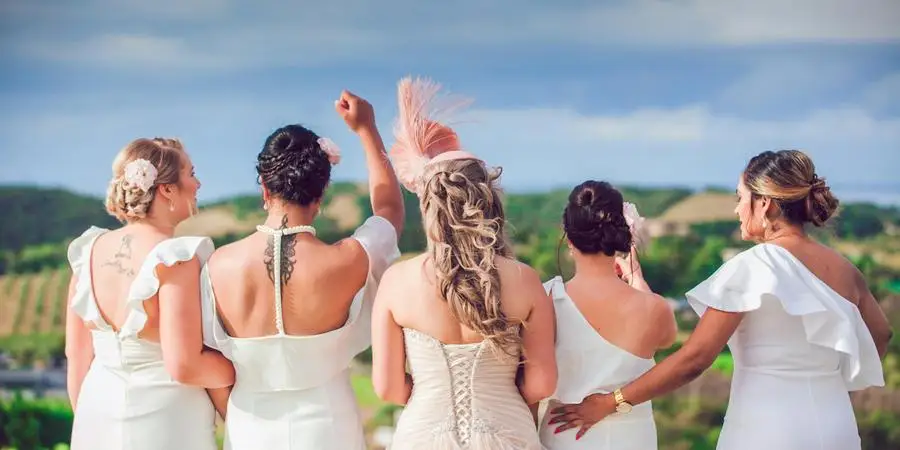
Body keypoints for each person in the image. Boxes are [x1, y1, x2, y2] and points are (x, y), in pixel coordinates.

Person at [549, 150, 892, 450]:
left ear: (765, 203)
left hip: (767, 426)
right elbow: (882, 333)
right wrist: (829, 380)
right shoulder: (846, 270)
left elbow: (694, 359)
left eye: (740, 197)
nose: (737, 209)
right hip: (836, 422)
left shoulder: (753, 267)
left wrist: (612, 402)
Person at [199, 90, 404, 449]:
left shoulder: (218, 265)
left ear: (264, 187)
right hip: (329, 426)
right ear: (322, 190)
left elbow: (207, 359)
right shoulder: (351, 259)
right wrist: (367, 129)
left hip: (249, 426)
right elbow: (388, 210)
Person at [371, 77, 557, 449]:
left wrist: (432, 399)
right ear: (488, 202)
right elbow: (542, 385)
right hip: (508, 434)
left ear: (428, 207)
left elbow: (389, 388)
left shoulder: (397, 282)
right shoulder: (524, 280)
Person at [66, 138, 234, 450]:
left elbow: (76, 356)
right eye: (191, 173)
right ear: (167, 189)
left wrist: (88, 424)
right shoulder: (174, 258)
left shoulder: (87, 252)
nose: (198, 183)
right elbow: (186, 365)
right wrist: (246, 365)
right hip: (166, 420)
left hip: (95, 411)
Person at [540, 181, 676, 450]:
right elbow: (667, 340)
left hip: (564, 433)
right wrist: (634, 275)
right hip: (633, 437)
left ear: (568, 238)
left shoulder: (546, 299)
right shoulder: (655, 308)